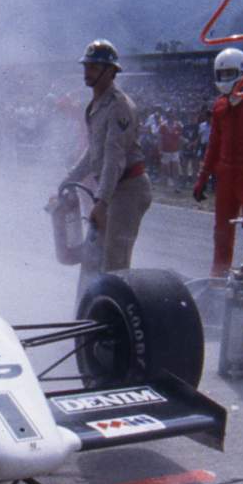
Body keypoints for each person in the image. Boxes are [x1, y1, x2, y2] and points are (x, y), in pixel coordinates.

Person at [64, 39, 150, 300]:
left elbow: (114, 158)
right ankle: (90, 313)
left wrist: (101, 203)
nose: (87, 72)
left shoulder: (118, 106)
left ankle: (113, 322)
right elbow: (94, 152)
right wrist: (68, 180)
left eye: (94, 67)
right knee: (92, 258)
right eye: (87, 66)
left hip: (127, 190)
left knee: (115, 262)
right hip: (112, 190)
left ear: (111, 71)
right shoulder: (98, 104)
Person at [193, 45, 243, 281]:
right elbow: (214, 145)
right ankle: (217, 283)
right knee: (221, 234)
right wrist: (203, 177)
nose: (225, 80)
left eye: (230, 74)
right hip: (225, 175)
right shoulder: (219, 105)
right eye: (222, 74)